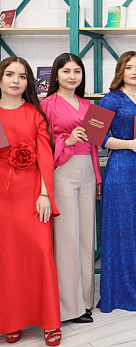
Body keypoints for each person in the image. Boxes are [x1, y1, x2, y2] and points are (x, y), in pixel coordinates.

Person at [0, 57, 61, 346]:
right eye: (10, 74)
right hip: (2, 196)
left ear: (29, 83)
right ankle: (11, 320)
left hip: (33, 194)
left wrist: (45, 194)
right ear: (0, 78)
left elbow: (46, 156)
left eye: (22, 76)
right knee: (7, 259)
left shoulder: (35, 114)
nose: (16, 80)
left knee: (41, 252)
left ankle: (50, 321)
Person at [97, 51, 136, 312]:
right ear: (120, 71)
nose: (135, 72)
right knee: (122, 228)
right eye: (129, 67)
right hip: (120, 170)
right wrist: (130, 145)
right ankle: (121, 292)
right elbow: (95, 135)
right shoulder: (110, 99)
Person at [41, 53, 102, 324]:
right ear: (56, 74)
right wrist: (65, 141)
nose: (72, 76)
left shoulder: (89, 105)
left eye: (77, 71)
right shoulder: (47, 105)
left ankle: (85, 301)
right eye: (66, 71)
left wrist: (97, 177)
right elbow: (41, 145)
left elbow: (95, 145)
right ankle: (68, 307)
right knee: (67, 238)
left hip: (88, 169)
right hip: (62, 170)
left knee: (87, 237)